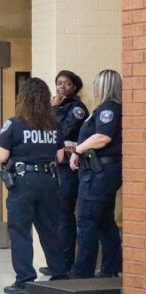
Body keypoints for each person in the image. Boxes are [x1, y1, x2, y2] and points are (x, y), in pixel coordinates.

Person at [0, 77, 67, 294]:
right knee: (49, 229)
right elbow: (61, 156)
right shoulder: (53, 124)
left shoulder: (14, 124)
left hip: (23, 182)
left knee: (20, 231)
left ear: (22, 99)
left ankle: (25, 279)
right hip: (49, 181)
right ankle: (60, 273)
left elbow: (1, 156)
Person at [69, 69, 122, 278]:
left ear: (104, 87)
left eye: (97, 84)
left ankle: (82, 272)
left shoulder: (108, 109)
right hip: (105, 172)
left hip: (99, 173)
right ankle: (109, 269)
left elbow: (103, 137)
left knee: (88, 221)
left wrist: (77, 150)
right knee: (105, 221)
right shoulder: (107, 109)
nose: (94, 87)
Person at [47, 70, 88, 273]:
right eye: (59, 83)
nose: (62, 87)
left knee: (64, 214)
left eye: (67, 83)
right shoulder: (54, 107)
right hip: (54, 166)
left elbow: (62, 132)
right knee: (54, 215)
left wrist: (53, 110)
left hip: (68, 168)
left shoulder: (76, 108)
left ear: (75, 87)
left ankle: (65, 264)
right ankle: (56, 262)